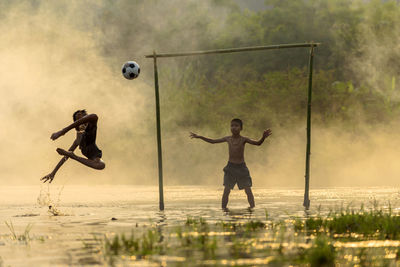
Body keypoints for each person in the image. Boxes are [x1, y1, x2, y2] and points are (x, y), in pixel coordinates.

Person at [190, 118, 271, 210]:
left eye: (236, 126)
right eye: (232, 126)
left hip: (242, 168)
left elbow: (258, 143)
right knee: (226, 191)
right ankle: (224, 210)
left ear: (241, 128)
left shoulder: (244, 139)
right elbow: (213, 141)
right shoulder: (227, 139)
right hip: (230, 168)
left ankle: (252, 209)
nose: (234, 128)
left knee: (248, 190)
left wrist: (263, 137)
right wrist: (200, 137)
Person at [41, 109, 105, 183]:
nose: (82, 122)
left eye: (83, 119)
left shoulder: (89, 129)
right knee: (101, 165)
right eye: (79, 120)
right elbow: (65, 157)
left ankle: (73, 156)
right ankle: (73, 156)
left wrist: (62, 131)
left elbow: (93, 117)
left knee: (101, 165)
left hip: (94, 155)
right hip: (92, 154)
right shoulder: (78, 140)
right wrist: (53, 172)